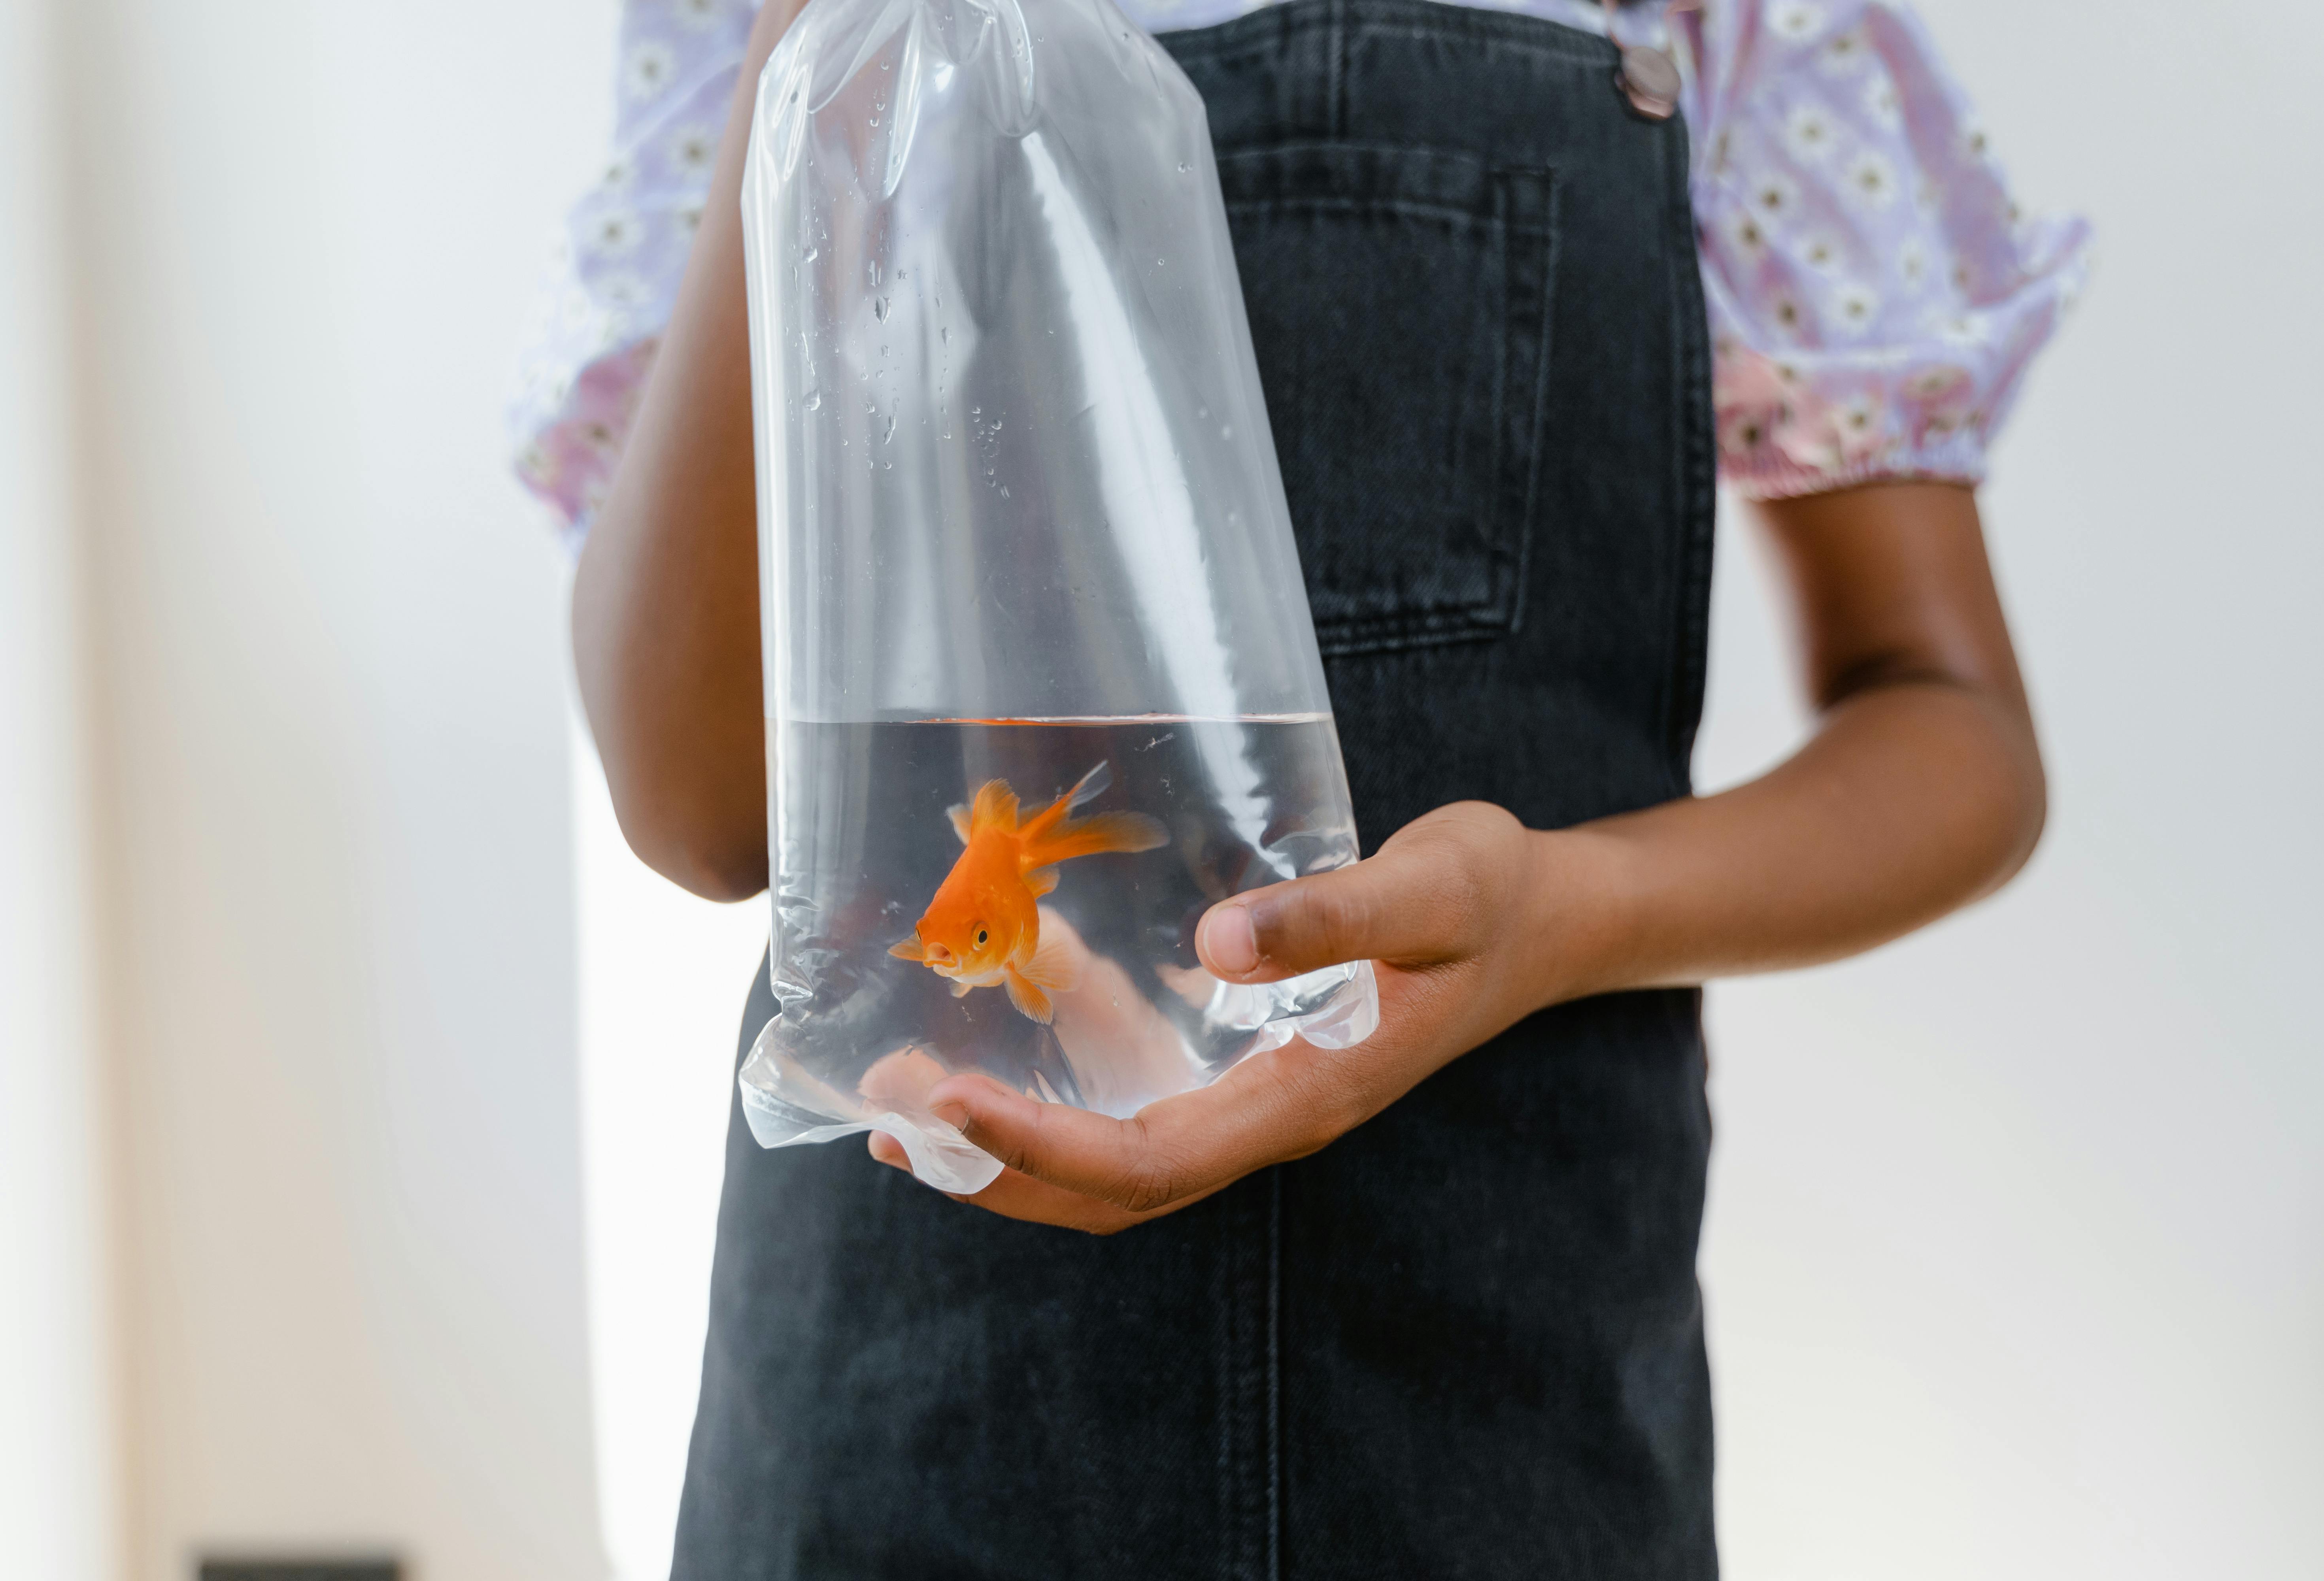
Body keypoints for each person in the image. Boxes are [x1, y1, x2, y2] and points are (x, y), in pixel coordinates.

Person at [514, 0, 2086, 1573]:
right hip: (897, 1402)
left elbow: (1950, 728)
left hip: (1497, 1392)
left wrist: (1556, 909)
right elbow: (695, 797)